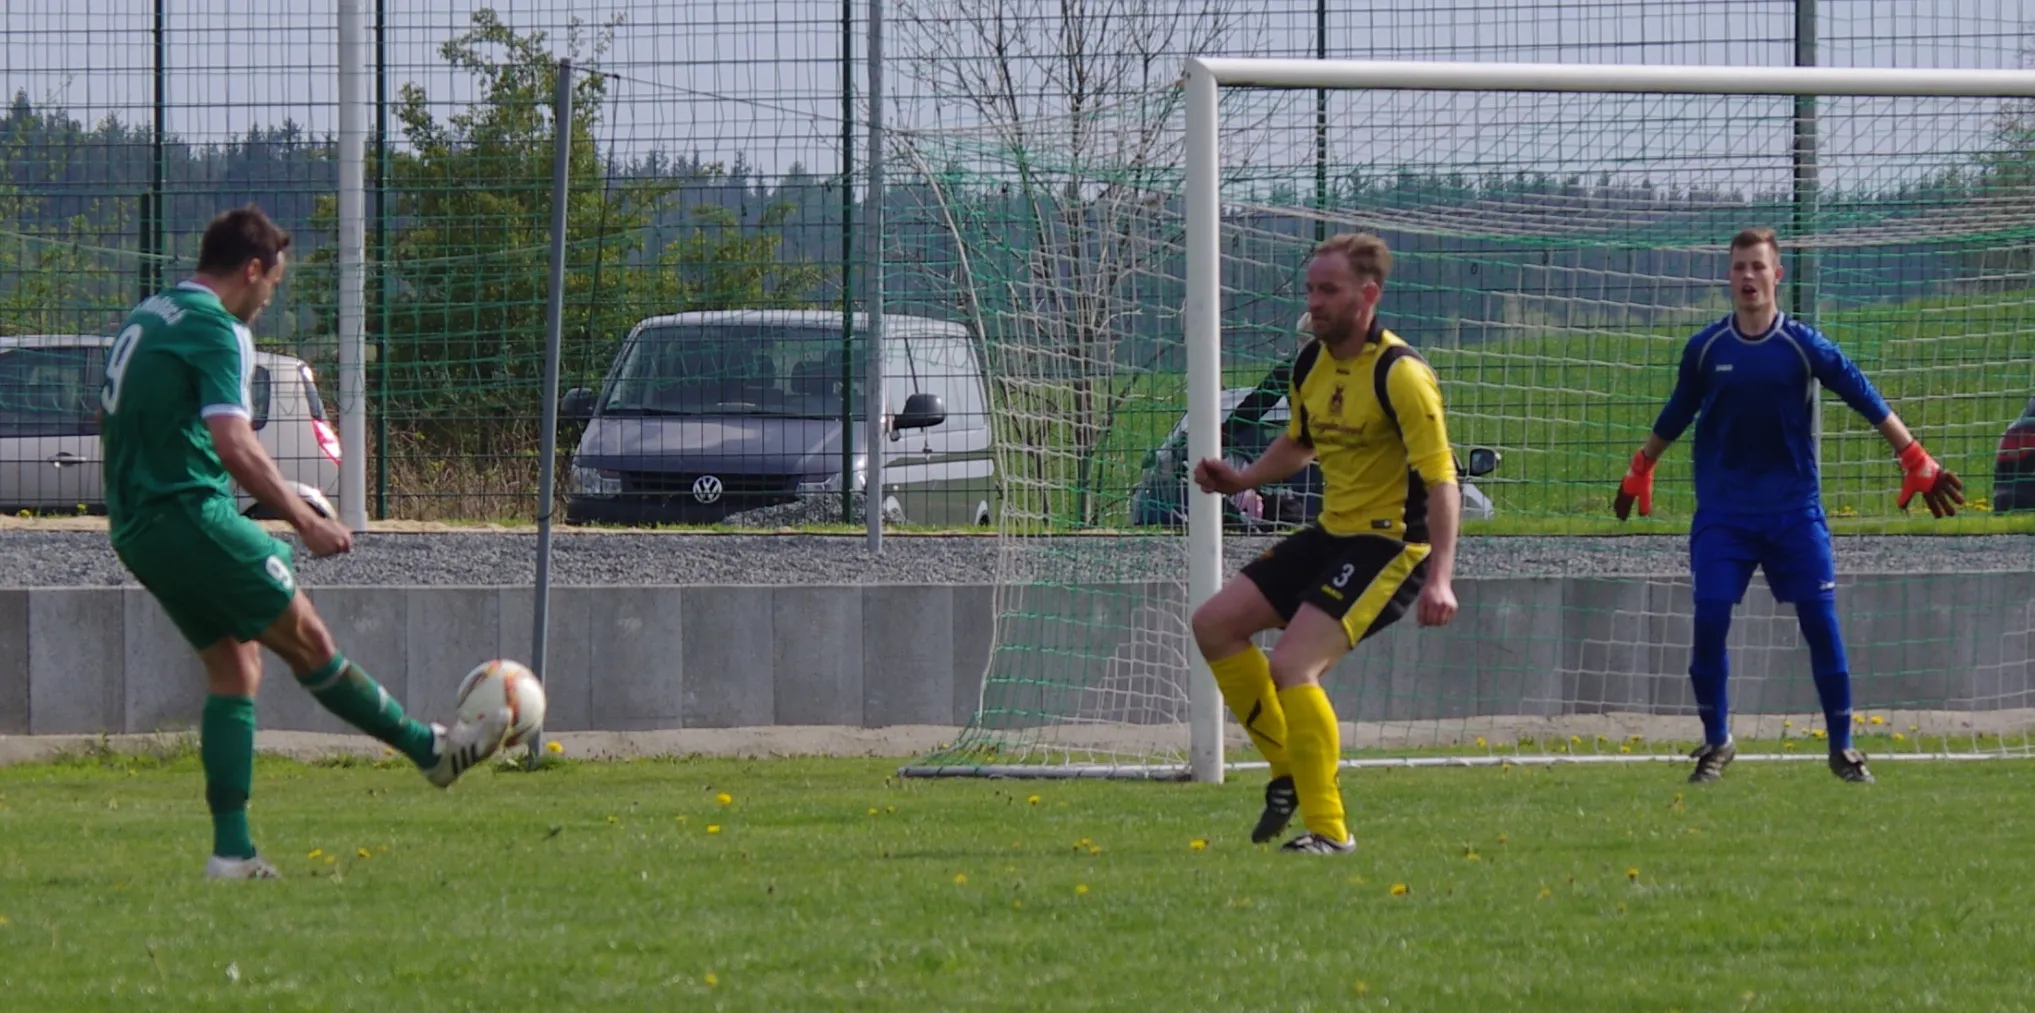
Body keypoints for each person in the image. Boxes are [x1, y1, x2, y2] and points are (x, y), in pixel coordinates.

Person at [99, 205, 512, 880]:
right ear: (252, 269)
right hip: (189, 514)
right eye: (273, 282)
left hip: (138, 526)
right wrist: (303, 518)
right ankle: (431, 751)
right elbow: (234, 442)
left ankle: (232, 852)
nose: (269, 298)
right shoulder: (219, 328)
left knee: (236, 670)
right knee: (310, 641)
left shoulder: (153, 313)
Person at [1614, 226, 1964, 785]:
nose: (1748, 276)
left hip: (1794, 512)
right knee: (1709, 618)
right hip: (1725, 514)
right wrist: (1641, 467)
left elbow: (1861, 392)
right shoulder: (1706, 349)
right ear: (1729, 276)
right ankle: (1717, 741)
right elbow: (1678, 410)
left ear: (1777, 275)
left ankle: (1843, 748)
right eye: (1739, 267)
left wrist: (1915, 456)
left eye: (1758, 266)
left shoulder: (1803, 345)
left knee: (1821, 623)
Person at [1190, 233, 1462, 855]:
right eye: (1311, 289)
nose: (1314, 302)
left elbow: (1442, 480)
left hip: (1392, 546)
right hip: (1333, 532)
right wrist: (1243, 479)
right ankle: (1289, 769)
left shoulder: (1402, 375)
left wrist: (1442, 577)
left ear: (1367, 295)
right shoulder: (1310, 364)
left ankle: (1330, 831)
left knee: (1292, 666)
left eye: (1328, 290)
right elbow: (1300, 443)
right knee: (1214, 624)